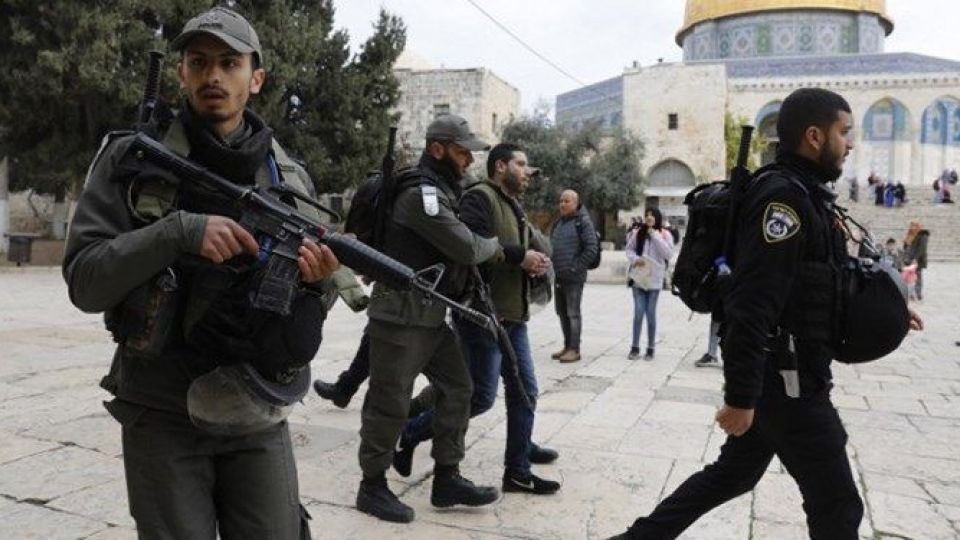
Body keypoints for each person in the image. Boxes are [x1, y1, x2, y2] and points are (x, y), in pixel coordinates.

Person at [63, 7, 340, 537]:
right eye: (199, 62)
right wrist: (179, 233)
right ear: (181, 73)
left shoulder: (288, 178)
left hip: (256, 405)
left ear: (256, 78)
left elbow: (311, 295)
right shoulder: (134, 160)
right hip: (162, 408)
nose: (214, 75)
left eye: (230, 63)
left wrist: (317, 281)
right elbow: (85, 282)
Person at [608, 88, 924, 540]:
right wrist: (741, 398)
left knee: (732, 475)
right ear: (815, 136)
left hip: (784, 375)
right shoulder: (784, 202)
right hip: (787, 380)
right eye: (844, 132)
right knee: (837, 505)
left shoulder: (807, 193)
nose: (851, 143)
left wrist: (887, 310)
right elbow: (750, 303)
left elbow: (822, 280)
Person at [355, 114, 502, 524]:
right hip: (400, 316)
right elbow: (466, 247)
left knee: (459, 388)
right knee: (389, 400)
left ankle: (447, 477)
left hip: (431, 314)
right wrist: (495, 246)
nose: (468, 160)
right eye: (462, 152)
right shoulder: (422, 196)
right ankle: (371, 485)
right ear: (437, 150)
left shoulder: (441, 190)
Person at [394, 143, 561, 495]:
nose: (527, 172)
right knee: (481, 396)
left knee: (525, 391)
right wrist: (520, 257)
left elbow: (519, 250)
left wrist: (534, 263)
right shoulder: (478, 198)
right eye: (520, 164)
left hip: (512, 316)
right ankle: (410, 432)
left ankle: (518, 468)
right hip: (481, 316)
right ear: (500, 166)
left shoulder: (513, 204)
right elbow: (474, 249)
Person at [549, 189, 599, 363]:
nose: (562, 204)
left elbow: (591, 249)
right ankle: (567, 345)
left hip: (574, 278)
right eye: (561, 201)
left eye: (567, 201)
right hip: (559, 276)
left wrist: (574, 267)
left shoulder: (583, 222)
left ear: (576, 203)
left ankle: (574, 349)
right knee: (562, 312)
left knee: (573, 313)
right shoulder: (558, 223)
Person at [625, 207, 674, 360]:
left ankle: (651, 348)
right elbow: (629, 250)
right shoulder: (638, 233)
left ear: (657, 218)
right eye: (647, 215)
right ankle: (635, 347)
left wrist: (654, 234)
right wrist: (635, 259)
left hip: (654, 280)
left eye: (652, 215)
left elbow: (668, 254)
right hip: (639, 278)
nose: (649, 217)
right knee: (638, 313)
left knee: (651, 314)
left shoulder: (664, 234)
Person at [902, 219, 930, 301]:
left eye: (914, 225)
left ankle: (918, 293)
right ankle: (911, 293)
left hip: (918, 259)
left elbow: (922, 248)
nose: (912, 227)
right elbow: (906, 246)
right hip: (909, 259)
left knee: (917, 276)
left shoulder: (923, 235)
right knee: (909, 276)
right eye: (912, 225)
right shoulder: (910, 233)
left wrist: (916, 258)